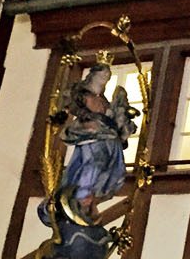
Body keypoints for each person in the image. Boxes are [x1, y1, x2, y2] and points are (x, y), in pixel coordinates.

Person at [56, 62, 136, 222]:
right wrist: (87, 119)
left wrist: (123, 121)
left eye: (107, 76)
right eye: (102, 75)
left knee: (116, 172)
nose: (104, 78)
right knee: (92, 166)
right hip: (92, 140)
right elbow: (71, 106)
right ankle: (82, 196)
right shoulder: (82, 95)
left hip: (110, 141)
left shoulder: (103, 101)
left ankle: (91, 197)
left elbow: (116, 120)